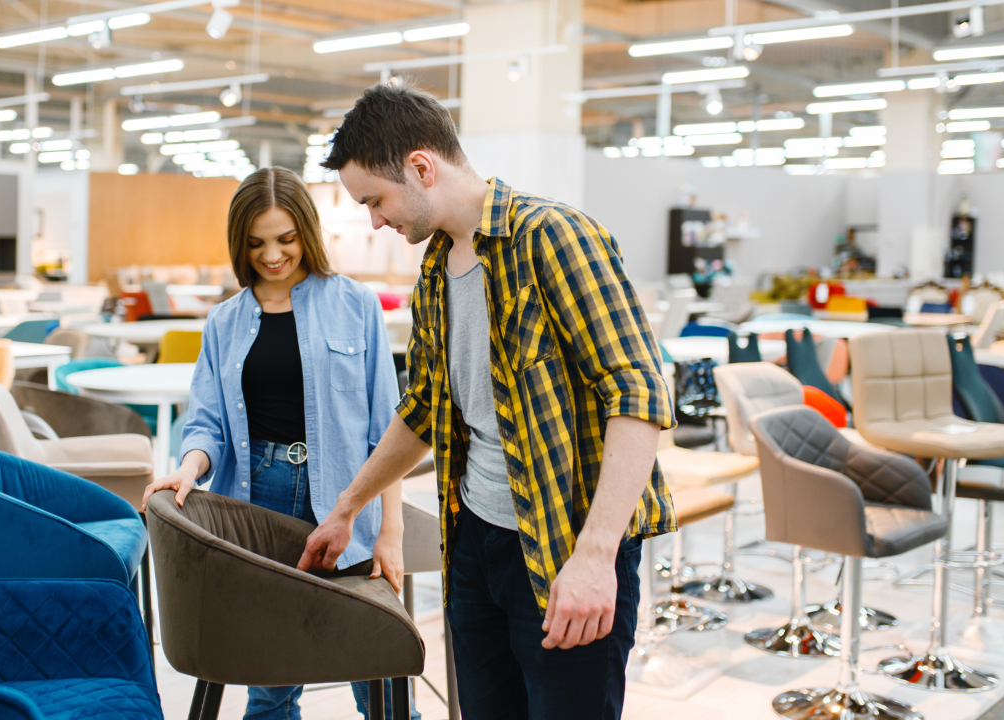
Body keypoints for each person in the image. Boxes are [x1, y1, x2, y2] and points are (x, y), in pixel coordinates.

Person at [296, 84, 676, 719]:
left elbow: (636, 392)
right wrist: (347, 506)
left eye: (376, 201)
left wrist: (596, 554)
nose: (375, 221)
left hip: (561, 546)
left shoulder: (553, 237)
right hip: (474, 541)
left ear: (420, 167)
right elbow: (424, 407)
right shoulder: (438, 268)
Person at [141, 167, 418, 720]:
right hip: (255, 503)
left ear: (307, 234)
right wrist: (189, 467)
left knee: (381, 678)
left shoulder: (356, 306)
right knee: (270, 683)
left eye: (286, 239)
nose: (272, 255)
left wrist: (391, 530)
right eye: (257, 243)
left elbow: (388, 427)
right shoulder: (223, 322)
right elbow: (207, 426)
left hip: (347, 502)